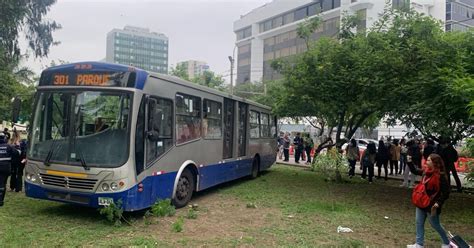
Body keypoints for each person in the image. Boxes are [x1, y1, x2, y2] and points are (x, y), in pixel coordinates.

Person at [406, 154, 450, 248]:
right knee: (419, 222)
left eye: (429, 160)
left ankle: (447, 242)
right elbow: (415, 170)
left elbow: (446, 192)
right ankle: (419, 244)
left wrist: (438, 203)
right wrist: (409, 161)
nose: (427, 162)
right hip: (421, 201)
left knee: (435, 225)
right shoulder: (426, 172)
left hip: (432, 205)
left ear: (435, 163)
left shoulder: (441, 176)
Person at [0, 133, 16, 207]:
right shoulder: (9, 146)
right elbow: (16, 153)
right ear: (5, 139)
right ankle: (1, 200)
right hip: (6, 168)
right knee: (3, 184)